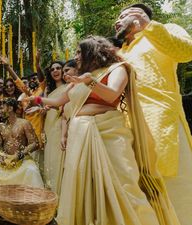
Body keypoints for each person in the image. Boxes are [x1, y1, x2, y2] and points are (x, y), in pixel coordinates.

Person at [29, 36, 179, 225]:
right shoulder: (80, 78)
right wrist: (35, 100)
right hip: (80, 133)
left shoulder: (117, 69)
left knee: (122, 183)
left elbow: (112, 94)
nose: (76, 57)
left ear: (92, 52)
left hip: (108, 131)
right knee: (85, 186)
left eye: (78, 52)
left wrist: (90, 82)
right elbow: (59, 102)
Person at [115, 4, 192, 224]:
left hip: (162, 122)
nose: (117, 21)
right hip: (127, 128)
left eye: (123, 16)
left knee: (173, 189)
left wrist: (149, 27)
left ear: (140, 16)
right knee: (139, 194)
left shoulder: (165, 29)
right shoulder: (121, 52)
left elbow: (186, 51)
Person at [0, 98, 44, 188]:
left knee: (32, 170)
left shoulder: (24, 123)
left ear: (10, 108)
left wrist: (19, 155)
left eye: (2, 108)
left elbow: (35, 143)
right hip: (6, 161)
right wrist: (1, 157)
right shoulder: (1, 126)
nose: (0, 111)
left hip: (23, 160)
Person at [43, 60, 67, 194]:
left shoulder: (69, 86)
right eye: (52, 69)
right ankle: (50, 196)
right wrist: (42, 110)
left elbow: (64, 107)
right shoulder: (48, 89)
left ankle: (60, 196)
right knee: (49, 161)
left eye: (58, 68)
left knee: (58, 160)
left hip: (59, 125)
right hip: (48, 126)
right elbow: (45, 107)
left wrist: (51, 106)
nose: (56, 71)